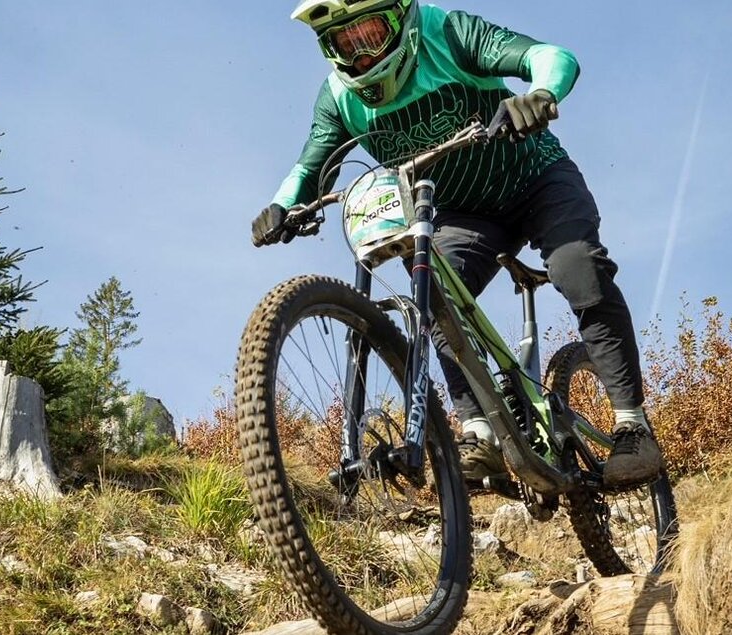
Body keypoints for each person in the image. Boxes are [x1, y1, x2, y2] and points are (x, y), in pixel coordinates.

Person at [251, 0, 663, 488]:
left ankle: (631, 425)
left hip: (534, 177)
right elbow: (309, 168)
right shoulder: (339, 96)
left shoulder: (446, 33)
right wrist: (282, 206)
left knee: (579, 268)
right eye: (346, 42)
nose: (361, 56)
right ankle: (478, 430)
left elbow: (551, 55)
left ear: (400, 17)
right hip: (464, 215)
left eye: (371, 34)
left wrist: (540, 93)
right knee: (432, 297)